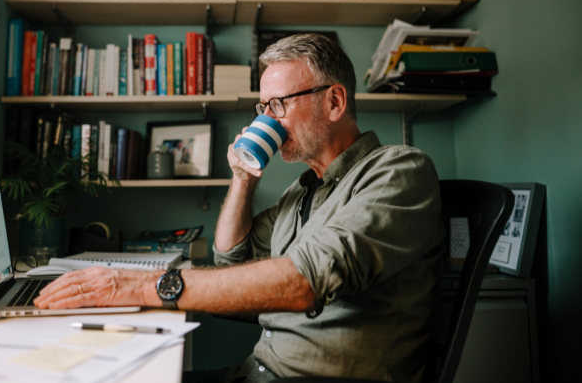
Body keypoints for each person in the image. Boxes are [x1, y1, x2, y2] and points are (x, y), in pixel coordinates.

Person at [34, 34, 446, 383]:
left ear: (334, 102)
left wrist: (145, 286)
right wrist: (243, 178)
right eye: (262, 108)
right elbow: (230, 256)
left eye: (277, 105)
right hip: (255, 371)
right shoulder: (303, 191)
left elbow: (305, 280)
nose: (266, 120)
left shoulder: (398, 171)